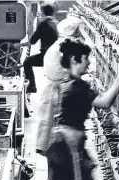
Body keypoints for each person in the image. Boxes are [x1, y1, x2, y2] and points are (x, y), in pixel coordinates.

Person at [44, 39, 119, 180]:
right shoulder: (78, 87)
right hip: (69, 148)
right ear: (74, 60)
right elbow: (105, 102)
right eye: (85, 58)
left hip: (61, 145)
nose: (88, 62)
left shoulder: (65, 81)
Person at [36, 15, 84, 155]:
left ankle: (49, 152)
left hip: (51, 88)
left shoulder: (57, 46)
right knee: (54, 129)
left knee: (48, 125)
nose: (77, 36)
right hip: (57, 90)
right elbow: (67, 71)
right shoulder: (64, 49)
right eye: (76, 33)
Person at [13, 3, 59, 93]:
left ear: (43, 12)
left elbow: (32, 42)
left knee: (27, 62)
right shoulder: (54, 22)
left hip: (46, 56)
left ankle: (31, 87)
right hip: (54, 55)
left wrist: (18, 45)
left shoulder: (43, 24)